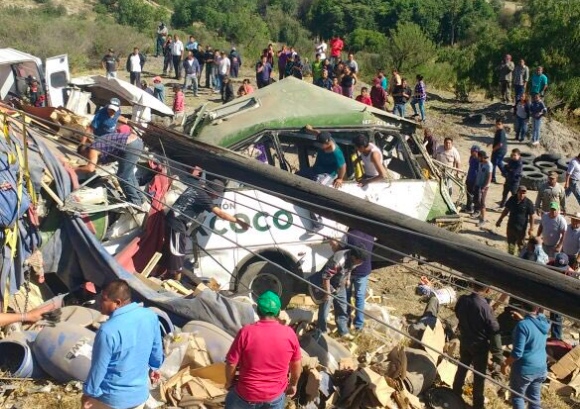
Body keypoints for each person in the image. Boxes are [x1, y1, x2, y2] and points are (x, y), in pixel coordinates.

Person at [82, 280, 163, 409]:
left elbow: (99, 369)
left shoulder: (107, 331)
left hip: (111, 399)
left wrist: (89, 393)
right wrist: (155, 367)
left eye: (104, 299)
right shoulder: (150, 316)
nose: (99, 302)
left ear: (117, 303)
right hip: (139, 397)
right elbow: (157, 351)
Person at [225, 291, 301, 409]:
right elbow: (296, 365)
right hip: (274, 397)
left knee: (231, 398)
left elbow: (231, 363)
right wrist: (293, 384)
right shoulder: (289, 334)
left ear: (258, 311)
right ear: (278, 312)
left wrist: (229, 382)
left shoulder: (246, 332)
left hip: (246, 395)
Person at [163, 180, 250, 280]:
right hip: (177, 223)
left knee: (171, 250)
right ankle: (173, 280)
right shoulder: (204, 198)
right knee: (177, 253)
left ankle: (165, 274)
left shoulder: (196, 187)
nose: (217, 197)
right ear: (212, 192)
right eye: (217, 195)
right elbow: (221, 214)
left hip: (173, 219)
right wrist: (239, 221)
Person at [452, 283, 503, 409]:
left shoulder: (463, 299)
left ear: (472, 284)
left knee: (462, 367)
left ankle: (455, 393)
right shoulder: (484, 307)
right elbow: (494, 330)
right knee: (479, 377)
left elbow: (457, 313)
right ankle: (478, 405)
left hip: (465, 340)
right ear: (488, 289)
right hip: (479, 346)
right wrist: (498, 355)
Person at [76, 128, 145, 206]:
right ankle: (140, 198)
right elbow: (96, 165)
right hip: (137, 142)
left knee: (123, 177)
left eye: (83, 157)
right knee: (130, 174)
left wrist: (74, 168)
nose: (86, 159)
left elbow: (90, 168)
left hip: (130, 145)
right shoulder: (98, 145)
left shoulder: (93, 149)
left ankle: (135, 202)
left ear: (84, 151)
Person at [501, 302, 548, 409]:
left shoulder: (522, 326)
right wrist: (523, 319)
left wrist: (505, 364)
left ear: (522, 306)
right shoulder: (543, 321)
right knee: (534, 399)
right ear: (537, 308)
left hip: (525, 369)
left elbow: (517, 353)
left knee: (518, 397)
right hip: (541, 368)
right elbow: (533, 326)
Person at [316, 247, 366, 338]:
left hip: (340, 285)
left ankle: (343, 332)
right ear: (354, 257)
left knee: (342, 309)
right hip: (329, 285)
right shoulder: (339, 260)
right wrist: (327, 293)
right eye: (360, 261)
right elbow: (326, 277)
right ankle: (321, 333)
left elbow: (350, 268)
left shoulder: (354, 260)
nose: (361, 264)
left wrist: (347, 279)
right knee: (324, 312)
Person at [345, 230, 374, 331]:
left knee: (347, 297)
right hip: (363, 271)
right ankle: (359, 325)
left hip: (349, 271)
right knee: (360, 297)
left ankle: (346, 322)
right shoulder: (371, 235)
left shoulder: (349, 235)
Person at [496, 186, 535, 255]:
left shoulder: (528, 203)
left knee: (521, 245)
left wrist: (531, 228)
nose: (522, 194)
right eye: (520, 193)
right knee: (511, 244)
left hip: (521, 229)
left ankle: (521, 257)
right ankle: (511, 255)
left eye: (524, 193)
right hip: (511, 226)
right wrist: (500, 220)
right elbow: (506, 210)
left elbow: (532, 216)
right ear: (517, 192)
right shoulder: (512, 199)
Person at [474, 150, 492, 227]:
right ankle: (481, 215)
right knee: (477, 200)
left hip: (484, 186)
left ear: (482, 157)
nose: (478, 158)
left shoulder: (489, 165)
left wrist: (484, 187)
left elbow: (489, 177)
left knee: (482, 202)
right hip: (478, 184)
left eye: (479, 157)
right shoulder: (480, 163)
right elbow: (479, 173)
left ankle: (483, 219)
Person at [464, 145, 480, 213]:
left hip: (475, 180)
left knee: (475, 196)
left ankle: (476, 210)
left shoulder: (479, 160)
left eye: (474, 151)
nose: (472, 152)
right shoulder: (471, 157)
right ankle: (469, 208)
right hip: (469, 178)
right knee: (468, 194)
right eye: (471, 151)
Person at [491, 118, 508, 184]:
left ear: (502, 125)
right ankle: (506, 175)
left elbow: (500, 144)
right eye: (497, 124)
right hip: (499, 150)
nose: (498, 125)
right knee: (498, 163)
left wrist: (494, 149)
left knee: (495, 163)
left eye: (499, 124)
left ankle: (493, 178)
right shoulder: (498, 131)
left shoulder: (501, 132)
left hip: (499, 150)